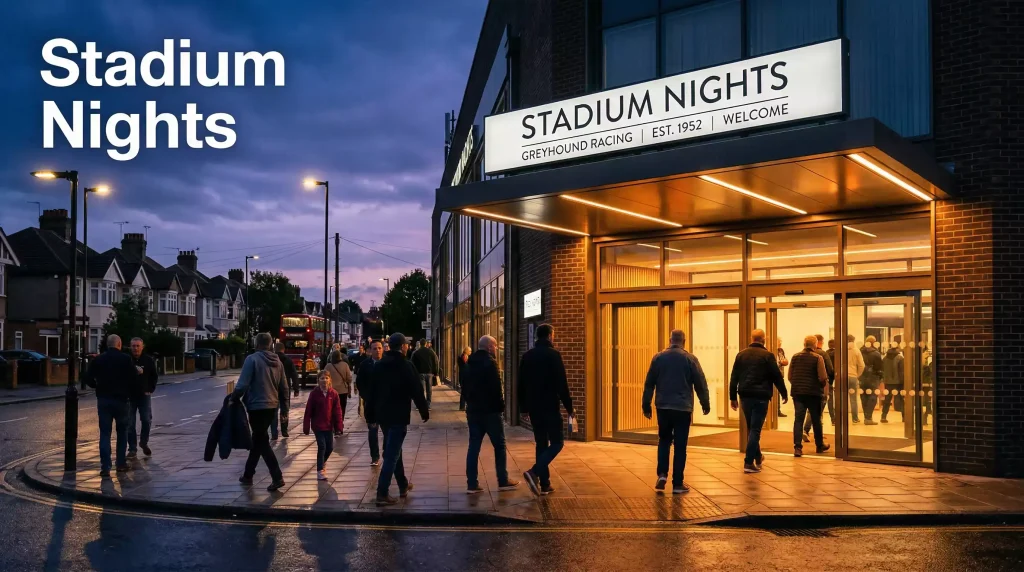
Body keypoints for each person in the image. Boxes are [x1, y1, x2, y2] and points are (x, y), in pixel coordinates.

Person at [641, 330, 711, 494]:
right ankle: (678, 483)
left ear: (670, 340)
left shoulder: (658, 358)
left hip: (663, 407)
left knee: (664, 440)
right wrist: (705, 403)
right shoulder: (690, 359)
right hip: (682, 407)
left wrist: (646, 405)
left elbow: (649, 383)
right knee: (680, 446)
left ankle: (662, 474)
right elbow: (700, 383)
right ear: (684, 341)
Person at [365, 333, 429, 506]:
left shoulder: (379, 365)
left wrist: (370, 415)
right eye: (406, 344)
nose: (407, 346)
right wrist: (424, 411)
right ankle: (382, 493)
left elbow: (371, 392)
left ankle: (402, 485)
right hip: (398, 415)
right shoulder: (406, 365)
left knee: (394, 449)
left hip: (383, 416)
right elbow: (417, 390)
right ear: (402, 347)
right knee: (392, 454)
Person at [518, 324, 575, 496]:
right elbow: (562, 384)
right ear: (550, 336)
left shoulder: (527, 356)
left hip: (534, 408)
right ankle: (534, 472)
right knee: (557, 442)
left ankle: (544, 484)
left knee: (541, 443)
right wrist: (569, 408)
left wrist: (523, 408)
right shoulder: (554, 355)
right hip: (550, 406)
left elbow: (521, 384)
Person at [232, 333, 289, 491]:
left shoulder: (252, 359)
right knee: (258, 439)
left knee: (261, 440)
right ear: (270, 344)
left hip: (256, 406)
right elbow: (284, 388)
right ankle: (248, 475)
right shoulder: (278, 362)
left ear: (256, 343)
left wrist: (233, 398)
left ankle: (277, 477)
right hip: (272, 406)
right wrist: (285, 409)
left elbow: (242, 384)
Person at [463, 335, 520, 494]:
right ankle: (503, 480)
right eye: (495, 346)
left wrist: (470, 403)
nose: (496, 348)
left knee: (474, 446)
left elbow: (464, 386)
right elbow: (497, 388)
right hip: (490, 412)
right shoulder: (490, 363)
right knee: (499, 445)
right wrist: (501, 407)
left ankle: (472, 483)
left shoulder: (469, 363)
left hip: (474, 411)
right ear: (489, 347)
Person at [729, 329, 788, 473]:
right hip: (761, 396)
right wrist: (784, 393)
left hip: (745, 395)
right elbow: (776, 376)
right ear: (763, 340)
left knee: (752, 428)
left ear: (752, 338)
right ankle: (748, 463)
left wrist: (733, 397)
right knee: (755, 429)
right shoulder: (767, 356)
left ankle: (758, 457)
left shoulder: (741, 355)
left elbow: (734, 377)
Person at [84, 334, 137, 477]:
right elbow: (133, 378)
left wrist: (96, 386)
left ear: (108, 345)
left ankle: (105, 467)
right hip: (121, 400)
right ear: (119, 344)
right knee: (122, 432)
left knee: (105, 433)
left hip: (104, 399)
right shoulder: (126, 359)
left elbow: (87, 377)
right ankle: (120, 464)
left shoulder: (99, 359)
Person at [789, 335, 830, 457]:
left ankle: (797, 448)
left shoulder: (795, 357)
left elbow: (790, 376)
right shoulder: (818, 358)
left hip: (798, 393)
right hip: (813, 393)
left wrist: (797, 385)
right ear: (815, 345)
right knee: (816, 419)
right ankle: (819, 445)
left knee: (798, 420)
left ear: (804, 344)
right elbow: (822, 377)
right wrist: (821, 387)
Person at [303, 370, 344, 480]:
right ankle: (320, 470)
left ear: (330, 380)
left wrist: (339, 426)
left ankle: (322, 462)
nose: (324, 380)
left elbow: (337, 411)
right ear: (318, 380)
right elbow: (308, 411)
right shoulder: (314, 394)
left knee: (329, 448)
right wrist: (306, 426)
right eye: (322, 378)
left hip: (329, 425)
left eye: (326, 378)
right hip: (317, 425)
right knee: (322, 446)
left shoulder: (333, 393)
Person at [127, 337, 158, 458]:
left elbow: (154, 376)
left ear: (142, 347)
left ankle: (144, 442)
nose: (135, 348)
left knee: (146, 419)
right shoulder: (127, 360)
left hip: (144, 395)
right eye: (133, 346)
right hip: (129, 396)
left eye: (137, 346)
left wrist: (150, 389)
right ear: (130, 347)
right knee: (130, 423)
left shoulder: (148, 360)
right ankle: (132, 448)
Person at [802, 334, 835, 441]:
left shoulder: (802, 354)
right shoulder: (822, 354)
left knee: (813, 410)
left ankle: (817, 433)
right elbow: (830, 370)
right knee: (817, 410)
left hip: (807, 385)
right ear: (819, 342)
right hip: (821, 385)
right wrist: (830, 382)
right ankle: (807, 430)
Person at [357, 340, 385, 466]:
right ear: (370, 350)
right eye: (375, 348)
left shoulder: (387, 363)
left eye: (379, 348)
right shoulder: (365, 365)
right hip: (371, 404)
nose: (377, 350)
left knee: (388, 432)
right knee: (373, 431)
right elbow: (360, 383)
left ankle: (386, 453)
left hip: (385, 404)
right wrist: (366, 397)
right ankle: (375, 457)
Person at [272, 342, 296, 440]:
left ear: (275, 349)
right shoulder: (288, 360)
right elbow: (294, 374)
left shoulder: (272, 360)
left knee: (274, 411)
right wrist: (296, 388)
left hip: (273, 388)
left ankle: (274, 432)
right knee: (284, 409)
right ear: (283, 349)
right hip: (285, 388)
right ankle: (284, 430)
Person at [324, 350, 353, 431]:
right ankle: (340, 424)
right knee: (341, 408)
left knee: (332, 408)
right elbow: (349, 378)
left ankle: (333, 424)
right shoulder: (345, 365)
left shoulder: (328, 366)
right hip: (343, 391)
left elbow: (324, 377)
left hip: (331, 391)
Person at [859, 335, 885, 425]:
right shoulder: (876, 353)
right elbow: (879, 367)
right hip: (873, 377)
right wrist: (881, 377)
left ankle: (866, 417)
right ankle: (868, 417)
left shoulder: (860, 351)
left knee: (864, 396)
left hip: (862, 376)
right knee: (873, 396)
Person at [881, 335, 905, 423]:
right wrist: (903, 382)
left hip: (888, 382)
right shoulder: (900, 358)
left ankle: (883, 416)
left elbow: (882, 369)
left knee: (887, 399)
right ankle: (904, 417)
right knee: (901, 399)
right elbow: (902, 371)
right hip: (898, 382)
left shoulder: (884, 358)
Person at [412, 337, 440, 409]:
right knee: (429, 390)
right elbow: (435, 362)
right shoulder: (430, 352)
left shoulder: (416, 353)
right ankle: (428, 405)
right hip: (429, 373)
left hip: (420, 373)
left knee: (421, 390)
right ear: (426, 344)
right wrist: (436, 372)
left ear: (420, 344)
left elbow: (412, 363)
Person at [847, 334, 866, 423]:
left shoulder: (840, 350)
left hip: (842, 376)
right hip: (853, 376)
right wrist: (857, 375)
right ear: (853, 340)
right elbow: (862, 365)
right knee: (853, 398)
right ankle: (855, 418)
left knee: (841, 398)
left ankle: (840, 418)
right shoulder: (856, 350)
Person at [776, 339, 789, 418]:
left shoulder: (780, 350)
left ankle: (777, 410)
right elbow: (779, 362)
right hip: (774, 375)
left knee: (778, 394)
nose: (780, 343)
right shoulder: (770, 350)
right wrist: (781, 362)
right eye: (779, 341)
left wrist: (783, 362)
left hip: (780, 374)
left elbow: (785, 361)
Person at [457, 346, 471, 411]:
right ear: (466, 351)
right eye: (470, 351)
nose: (470, 352)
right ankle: (463, 406)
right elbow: (465, 368)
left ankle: (463, 406)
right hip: (465, 377)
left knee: (464, 391)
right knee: (465, 392)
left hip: (463, 377)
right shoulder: (464, 357)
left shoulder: (462, 357)